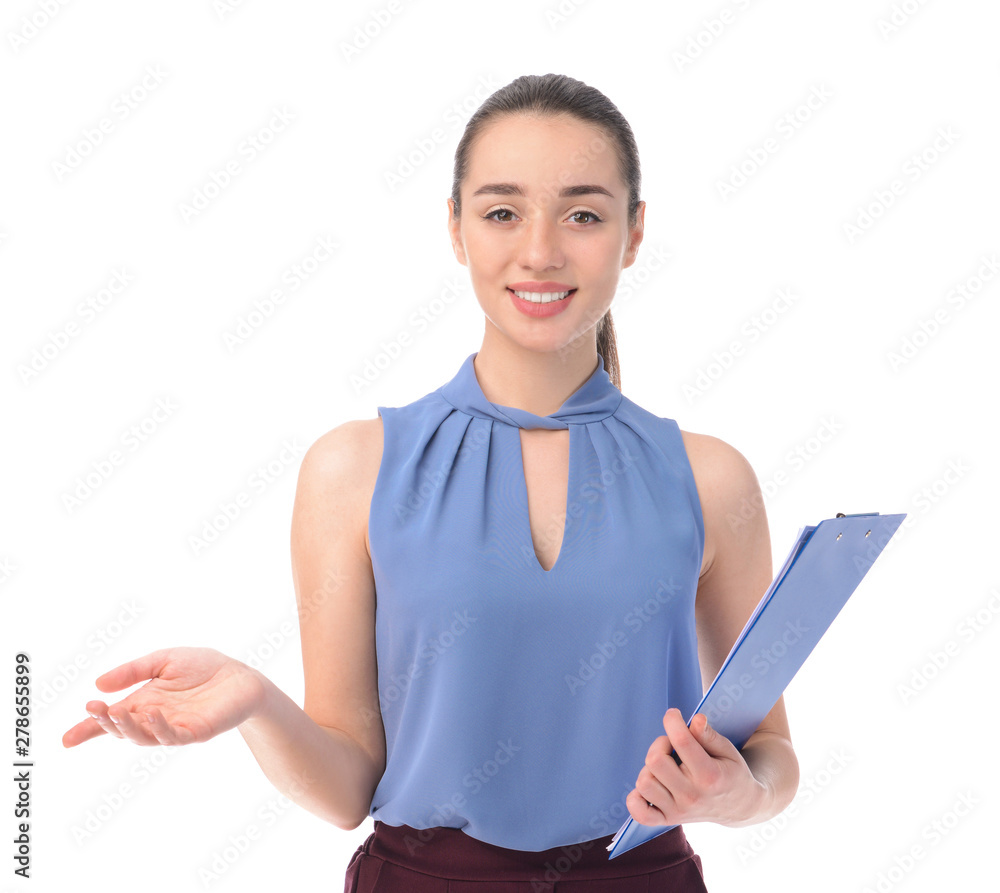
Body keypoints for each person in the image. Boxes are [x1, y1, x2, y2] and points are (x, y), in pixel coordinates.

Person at [63, 73, 799, 891]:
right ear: (456, 229)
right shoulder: (354, 468)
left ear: (633, 233)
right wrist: (254, 701)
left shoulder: (710, 477)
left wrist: (740, 793)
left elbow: (773, 752)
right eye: (501, 211)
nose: (541, 250)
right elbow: (348, 785)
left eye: (584, 213)